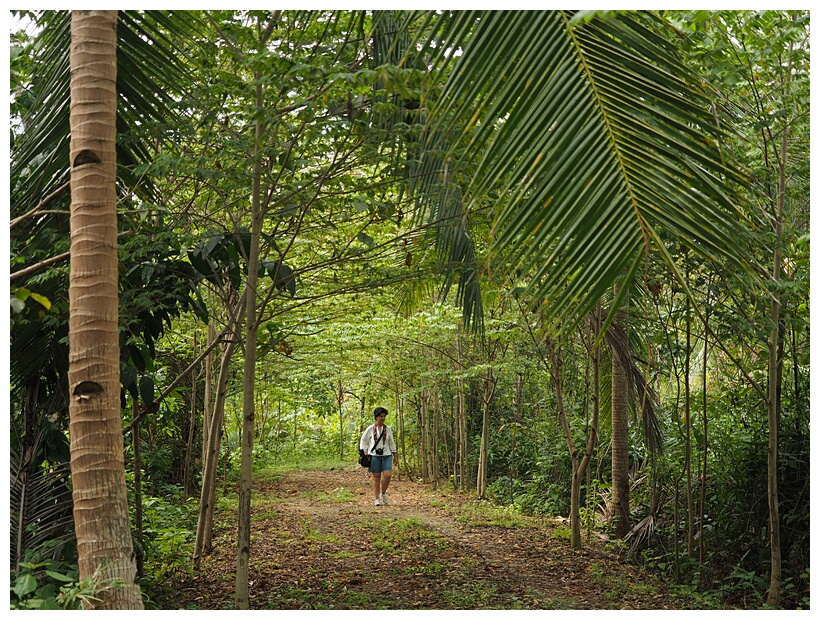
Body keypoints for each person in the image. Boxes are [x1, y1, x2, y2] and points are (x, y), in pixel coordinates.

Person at [359, 406, 397, 506]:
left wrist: (395, 455)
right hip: (374, 455)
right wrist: (365, 451)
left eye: (384, 416)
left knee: (388, 475)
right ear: (376, 417)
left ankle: (383, 493)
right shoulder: (370, 429)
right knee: (376, 477)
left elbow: (391, 442)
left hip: (387, 455)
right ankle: (376, 498)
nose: (383, 418)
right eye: (381, 416)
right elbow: (363, 440)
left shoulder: (388, 429)